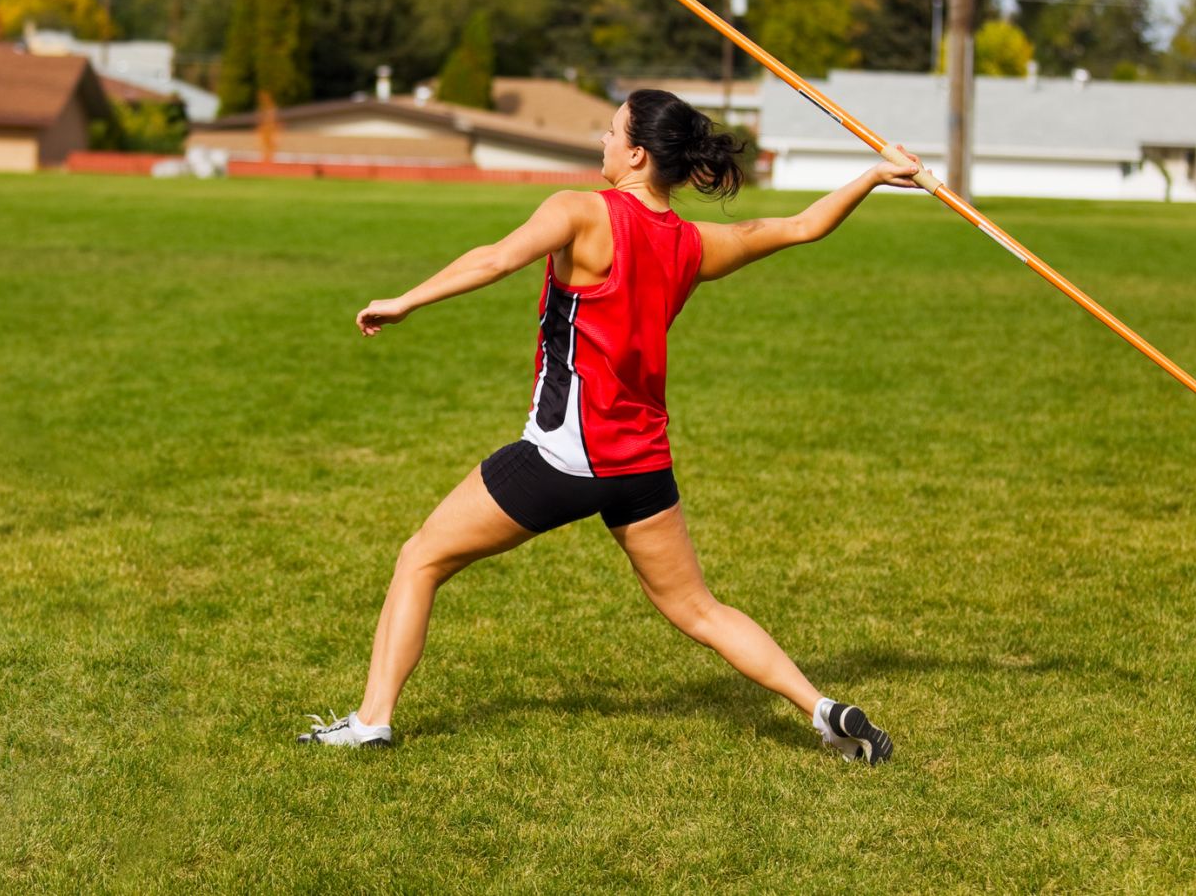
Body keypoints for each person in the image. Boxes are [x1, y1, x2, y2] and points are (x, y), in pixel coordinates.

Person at [299, 89, 920, 761]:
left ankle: (371, 722)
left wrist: (405, 300)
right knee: (700, 611)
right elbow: (800, 227)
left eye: (610, 131)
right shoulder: (690, 243)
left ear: (635, 153)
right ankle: (823, 710)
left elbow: (495, 259)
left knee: (419, 559)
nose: (600, 140)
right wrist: (875, 174)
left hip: (563, 457)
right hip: (642, 464)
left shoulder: (579, 211)